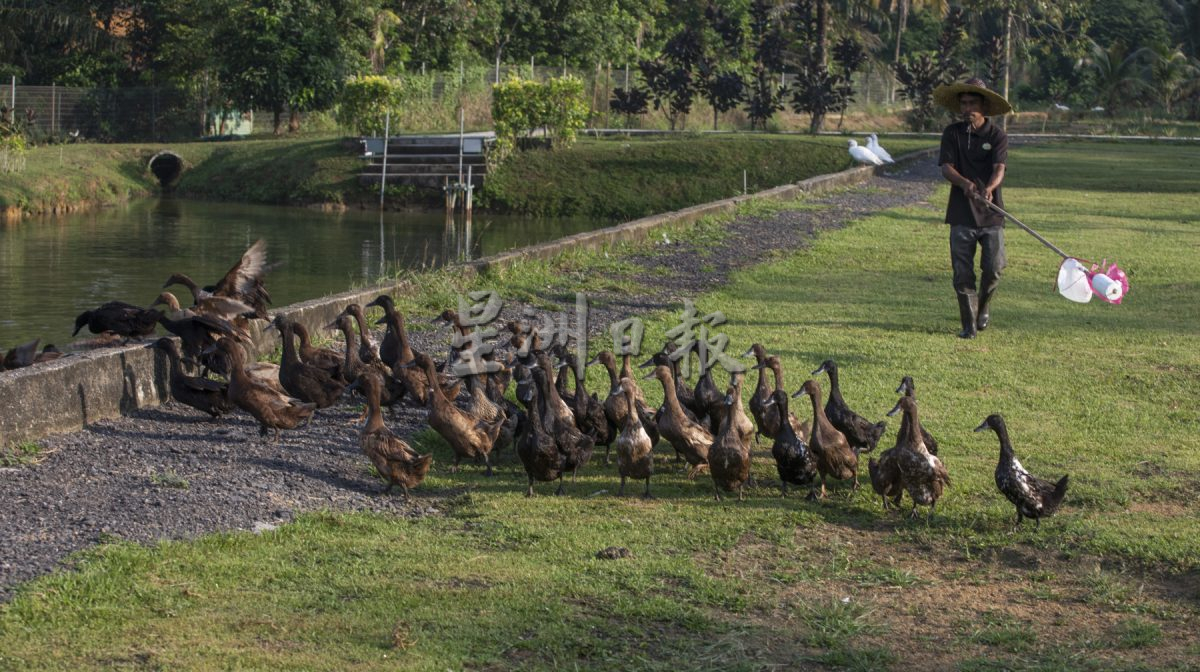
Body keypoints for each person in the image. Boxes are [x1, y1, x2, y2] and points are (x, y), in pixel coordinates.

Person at [933, 77, 1013, 339]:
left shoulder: (997, 136)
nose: (967, 109)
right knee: (962, 272)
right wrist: (964, 183)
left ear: (985, 107)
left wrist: (989, 188)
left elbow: (999, 168)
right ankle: (968, 325)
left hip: (991, 213)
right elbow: (946, 167)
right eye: (963, 103)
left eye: (972, 103)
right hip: (961, 213)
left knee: (994, 268)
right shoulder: (952, 133)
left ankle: (984, 306)